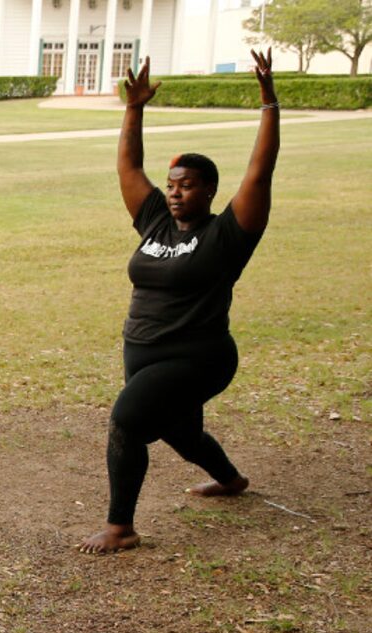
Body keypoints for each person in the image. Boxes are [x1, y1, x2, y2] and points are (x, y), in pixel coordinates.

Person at [80, 53, 280, 554]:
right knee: (181, 431)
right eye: (172, 186)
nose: (174, 193)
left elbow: (259, 174)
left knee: (128, 418)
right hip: (141, 347)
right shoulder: (154, 218)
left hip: (199, 355)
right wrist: (135, 109)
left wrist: (269, 103)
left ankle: (120, 527)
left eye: (186, 186)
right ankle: (231, 480)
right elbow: (129, 166)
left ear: (210, 190)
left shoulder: (228, 234)